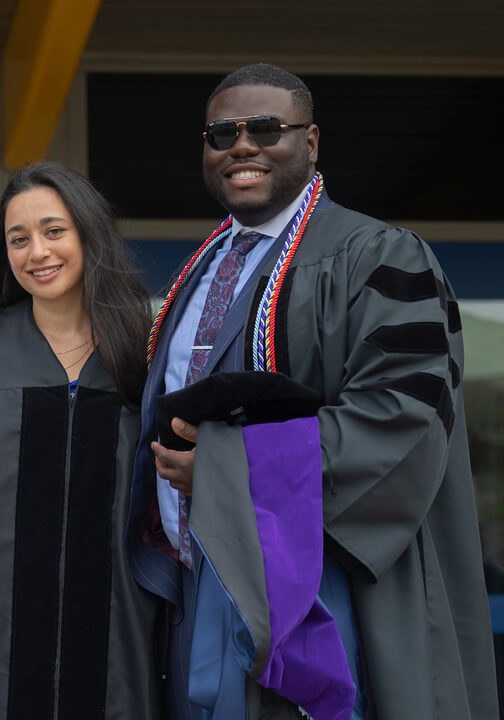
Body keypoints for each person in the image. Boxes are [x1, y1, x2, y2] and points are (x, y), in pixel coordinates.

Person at [131, 63, 497, 719]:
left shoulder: (380, 256)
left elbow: (400, 420)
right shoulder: (200, 271)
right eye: (222, 133)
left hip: (321, 596)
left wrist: (225, 470)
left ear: (313, 141)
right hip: (197, 595)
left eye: (266, 128)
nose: (241, 146)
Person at [0, 160, 161, 719]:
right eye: (19, 239)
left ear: (89, 233)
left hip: (123, 631)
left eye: (54, 231)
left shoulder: (147, 346)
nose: (36, 252)